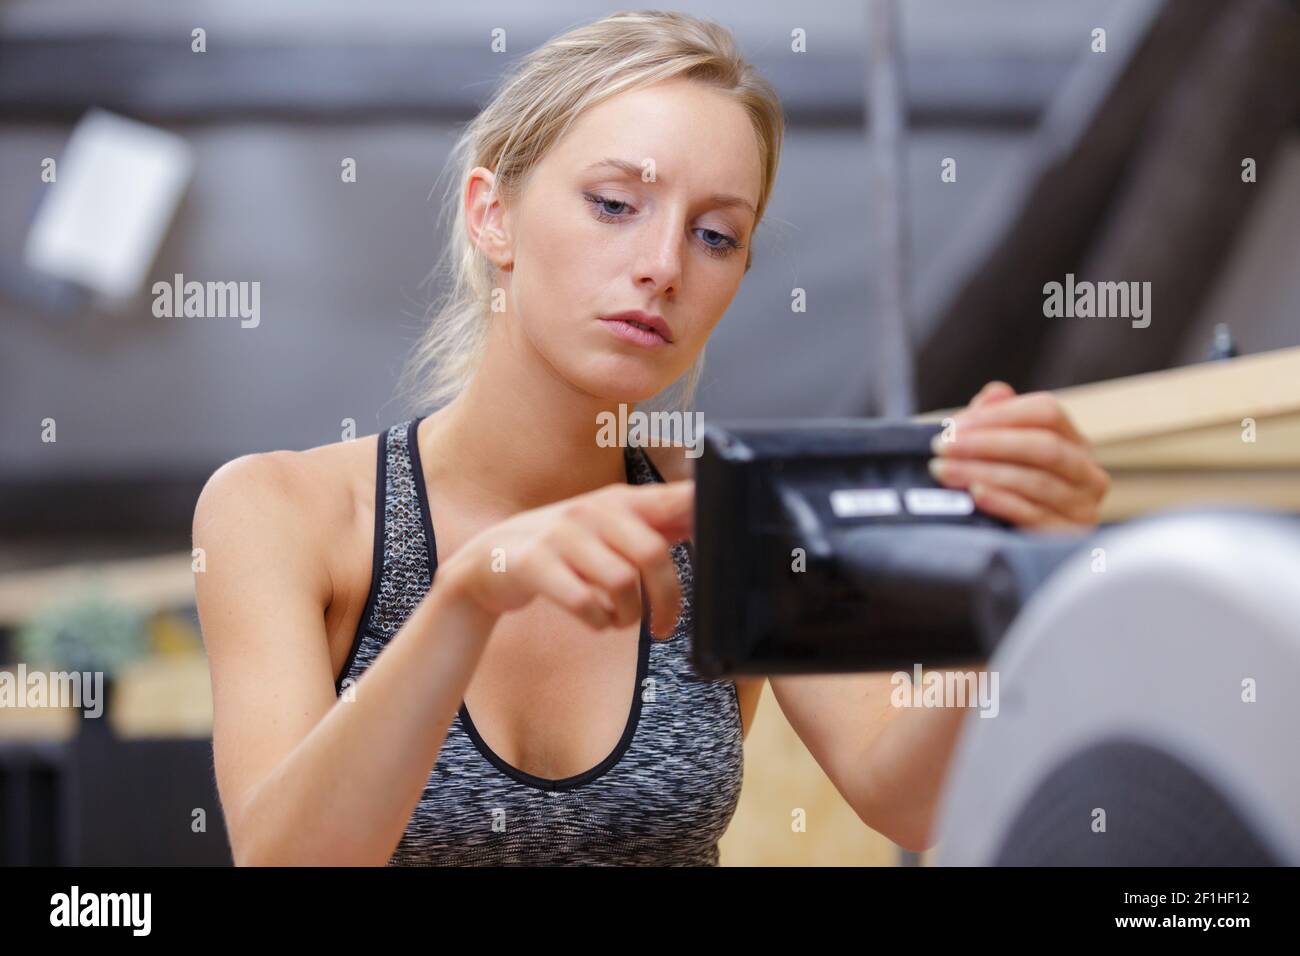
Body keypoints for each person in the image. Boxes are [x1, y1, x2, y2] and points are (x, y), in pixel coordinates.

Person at [192, 10, 1110, 866]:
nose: (664, 267)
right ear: (492, 215)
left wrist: (1009, 578)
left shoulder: (732, 513)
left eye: (716, 236)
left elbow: (904, 797)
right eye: (614, 204)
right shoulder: (282, 511)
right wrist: (468, 596)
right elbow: (285, 857)